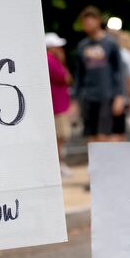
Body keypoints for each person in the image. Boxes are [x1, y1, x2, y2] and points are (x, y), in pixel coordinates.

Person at [74, 6, 125, 143]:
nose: (87, 25)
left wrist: (119, 96)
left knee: (104, 136)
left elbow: (119, 71)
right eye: (84, 23)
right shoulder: (82, 46)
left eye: (90, 22)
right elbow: (79, 75)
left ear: (97, 21)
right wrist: (75, 98)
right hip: (89, 97)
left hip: (106, 96)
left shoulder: (110, 43)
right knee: (91, 137)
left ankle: (108, 164)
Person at [46, 32, 73, 177]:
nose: (61, 49)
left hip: (58, 104)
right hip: (57, 105)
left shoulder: (50, 60)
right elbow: (66, 78)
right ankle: (58, 164)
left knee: (60, 136)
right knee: (59, 136)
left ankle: (59, 163)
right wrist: (62, 62)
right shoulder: (51, 60)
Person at [110, 29, 130, 142]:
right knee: (119, 132)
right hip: (121, 97)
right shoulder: (128, 56)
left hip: (110, 96)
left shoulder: (113, 53)